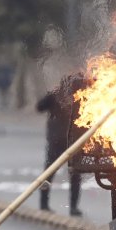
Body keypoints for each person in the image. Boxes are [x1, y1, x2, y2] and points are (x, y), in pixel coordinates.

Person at [36, 74, 86, 216]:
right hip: (63, 140)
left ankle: (52, 204)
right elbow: (39, 107)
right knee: (60, 173)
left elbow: (39, 107)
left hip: (67, 141)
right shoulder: (67, 95)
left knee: (69, 173)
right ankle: (55, 205)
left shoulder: (74, 95)